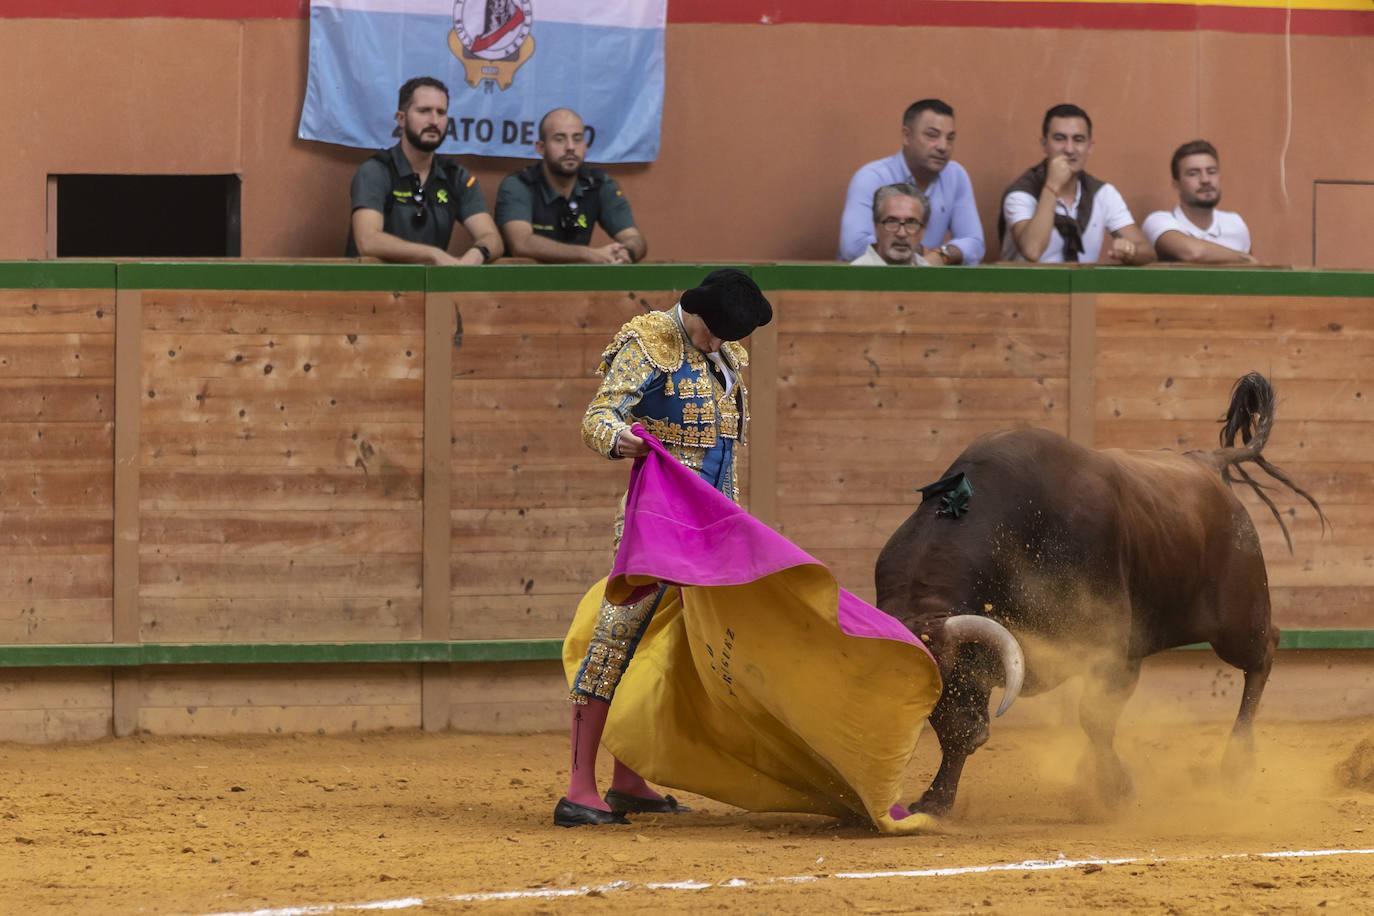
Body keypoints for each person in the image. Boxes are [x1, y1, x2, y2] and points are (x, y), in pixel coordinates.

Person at [556, 269, 773, 827]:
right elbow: (596, 416)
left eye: (729, 336)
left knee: (678, 647)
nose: (719, 344)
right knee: (616, 640)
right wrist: (618, 438)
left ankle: (628, 778)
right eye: (714, 333)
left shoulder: (726, 358)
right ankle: (580, 788)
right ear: (694, 312)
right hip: (656, 526)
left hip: (716, 524)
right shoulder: (650, 340)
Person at [345, 77, 502, 266]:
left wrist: (478, 253)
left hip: (429, 290)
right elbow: (367, 241)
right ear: (401, 119)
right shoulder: (376, 171)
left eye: (441, 112)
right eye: (424, 111)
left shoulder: (457, 176)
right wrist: (432, 254)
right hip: (372, 289)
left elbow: (492, 238)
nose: (434, 121)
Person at [999, 103, 1154, 265]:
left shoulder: (1103, 193)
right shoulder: (1021, 193)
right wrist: (1052, 186)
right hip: (1026, 288)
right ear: (1044, 144)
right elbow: (1032, 250)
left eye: (1078, 140)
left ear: (1089, 147)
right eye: (1060, 139)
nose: (1069, 149)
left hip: (1084, 289)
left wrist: (1130, 251)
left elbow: (1147, 252)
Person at [837, 99, 984, 265]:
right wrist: (919, 255)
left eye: (950, 138)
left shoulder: (956, 175)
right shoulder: (872, 177)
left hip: (927, 282)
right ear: (906, 136)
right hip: (867, 282)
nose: (943, 146)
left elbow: (975, 243)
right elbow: (853, 246)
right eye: (932, 135)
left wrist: (940, 255)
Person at [495, 108, 647, 264]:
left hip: (578, 285)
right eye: (559, 139)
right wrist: (585, 254)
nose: (570, 147)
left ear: (585, 146)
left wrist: (626, 252)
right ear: (541, 148)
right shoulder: (519, 185)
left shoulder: (599, 184)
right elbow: (521, 243)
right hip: (524, 285)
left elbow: (634, 238)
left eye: (577, 139)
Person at [1141, 140, 1255, 263]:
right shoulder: (1158, 221)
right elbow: (1194, 253)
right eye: (1193, 174)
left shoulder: (1235, 223)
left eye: (1211, 172)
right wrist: (1245, 258)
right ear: (1176, 185)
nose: (1205, 180)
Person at [850, 184, 933, 266]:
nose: (901, 233)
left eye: (911, 223)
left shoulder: (932, 275)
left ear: (923, 231)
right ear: (876, 226)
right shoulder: (853, 276)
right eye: (892, 222)